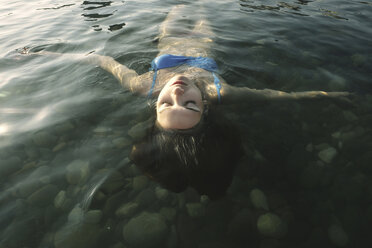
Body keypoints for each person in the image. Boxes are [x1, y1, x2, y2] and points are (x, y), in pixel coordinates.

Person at [25, 5, 351, 199]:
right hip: (203, 41)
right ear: (205, 106)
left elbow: (101, 59)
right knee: (200, 7)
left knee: (177, 10)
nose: (177, 92)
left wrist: (45, 54)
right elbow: (276, 97)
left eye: (168, 105)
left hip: (169, 39)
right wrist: (326, 96)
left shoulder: (144, 86)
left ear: (156, 105)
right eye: (190, 105)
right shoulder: (219, 92)